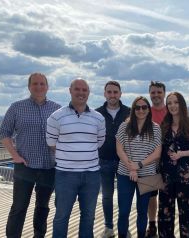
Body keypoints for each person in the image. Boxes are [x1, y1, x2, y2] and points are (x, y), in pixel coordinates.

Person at [0, 72, 61, 238]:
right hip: (25, 166)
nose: (39, 87)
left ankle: (39, 235)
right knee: (19, 207)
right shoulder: (17, 107)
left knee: (43, 206)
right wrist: (14, 156)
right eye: (35, 84)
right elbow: (4, 133)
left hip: (49, 166)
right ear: (29, 87)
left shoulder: (57, 109)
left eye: (42, 84)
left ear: (47, 87)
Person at [46, 79, 106, 238]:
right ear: (70, 90)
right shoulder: (56, 117)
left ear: (88, 93)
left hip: (91, 175)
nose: (81, 93)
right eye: (77, 89)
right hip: (65, 174)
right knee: (61, 216)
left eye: (84, 90)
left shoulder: (98, 118)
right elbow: (51, 143)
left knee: (88, 216)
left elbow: (99, 142)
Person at [158, 92, 189, 237]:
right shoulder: (164, 125)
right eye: (169, 103)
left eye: (176, 102)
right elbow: (159, 149)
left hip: (187, 178)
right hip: (166, 177)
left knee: (186, 215)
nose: (172, 106)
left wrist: (181, 154)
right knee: (165, 214)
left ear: (182, 104)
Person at [116, 96, 162, 238]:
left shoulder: (155, 128)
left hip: (147, 174)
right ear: (133, 109)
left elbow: (157, 153)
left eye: (144, 107)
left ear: (149, 109)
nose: (141, 110)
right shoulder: (125, 126)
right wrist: (132, 168)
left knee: (143, 211)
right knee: (124, 210)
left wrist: (139, 165)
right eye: (137, 107)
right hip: (125, 173)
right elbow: (119, 149)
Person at [96, 81, 131, 238]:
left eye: (115, 92)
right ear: (105, 94)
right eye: (109, 92)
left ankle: (124, 226)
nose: (112, 95)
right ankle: (108, 227)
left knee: (125, 196)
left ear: (120, 94)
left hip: (124, 161)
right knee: (107, 196)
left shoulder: (130, 113)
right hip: (104, 160)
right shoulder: (96, 114)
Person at [146, 81, 167, 238]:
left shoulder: (172, 111)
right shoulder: (145, 112)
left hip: (168, 162)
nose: (156, 95)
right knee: (151, 196)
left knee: (167, 196)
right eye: (153, 92)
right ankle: (152, 224)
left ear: (164, 93)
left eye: (159, 92)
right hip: (150, 162)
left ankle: (165, 225)